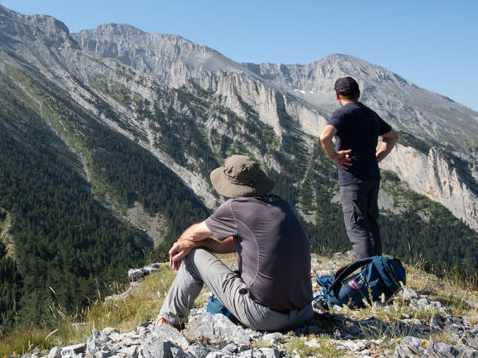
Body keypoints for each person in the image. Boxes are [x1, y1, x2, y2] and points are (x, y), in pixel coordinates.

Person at [156, 155, 314, 331]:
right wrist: (200, 243)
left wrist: (185, 243)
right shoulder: (281, 204)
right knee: (195, 248)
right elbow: (236, 243)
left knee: (193, 257)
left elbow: (193, 234)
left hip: (265, 316)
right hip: (304, 312)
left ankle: (168, 323)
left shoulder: (237, 207)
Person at [319, 76, 399, 259]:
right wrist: (377, 157)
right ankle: (378, 268)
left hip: (352, 178)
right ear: (359, 93)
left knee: (356, 226)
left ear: (337, 96)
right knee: (371, 222)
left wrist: (333, 156)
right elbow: (392, 136)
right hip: (372, 176)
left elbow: (325, 137)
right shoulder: (370, 113)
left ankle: (367, 271)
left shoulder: (342, 114)